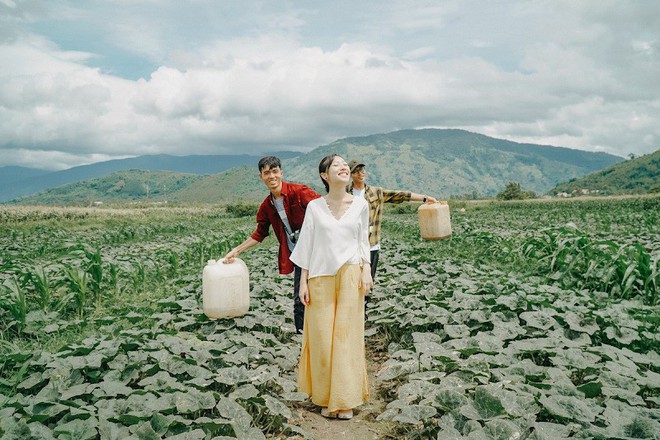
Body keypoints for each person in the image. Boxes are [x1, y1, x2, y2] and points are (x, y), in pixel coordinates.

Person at [290, 154, 372, 420]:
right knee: (323, 338)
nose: (344, 167)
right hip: (320, 277)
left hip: (350, 274)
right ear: (325, 176)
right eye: (336, 164)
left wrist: (367, 270)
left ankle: (345, 400)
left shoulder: (360, 204)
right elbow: (307, 246)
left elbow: (363, 241)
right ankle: (326, 397)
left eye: (345, 164)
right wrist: (302, 281)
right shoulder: (315, 207)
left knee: (346, 337)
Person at [223, 156, 320, 334]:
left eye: (275, 172)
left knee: (322, 292)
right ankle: (303, 336)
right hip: (300, 256)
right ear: (261, 176)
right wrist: (236, 251)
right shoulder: (267, 206)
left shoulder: (300, 192)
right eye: (267, 173)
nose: (271, 176)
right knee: (301, 296)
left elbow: (324, 210)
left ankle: (325, 333)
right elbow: (260, 233)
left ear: (281, 173)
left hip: (320, 252)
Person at [347, 160, 437, 307]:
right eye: (357, 171)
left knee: (367, 282)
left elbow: (402, 195)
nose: (361, 173)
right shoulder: (345, 192)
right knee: (350, 282)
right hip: (350, 246)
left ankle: (363, 314)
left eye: (362, 170)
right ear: (351, 175)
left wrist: (425, 198)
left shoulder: (375, 192)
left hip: (371, 245)